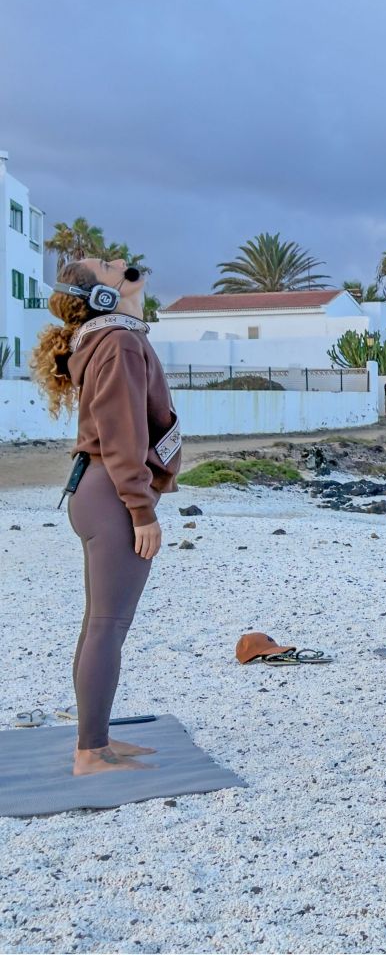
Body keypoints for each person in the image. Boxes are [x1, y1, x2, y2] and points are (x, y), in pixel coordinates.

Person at [30, 257, 181, 776]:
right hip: (112, 494)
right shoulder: (116, 341)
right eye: (109, 265)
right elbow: (122, 437)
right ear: (101, 296)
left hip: (95, 489)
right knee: (107, 625)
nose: (123, 261)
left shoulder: (115, 336)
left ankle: (96, 738)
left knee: (100, 623)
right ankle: (90, 753)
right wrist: (142, 511)